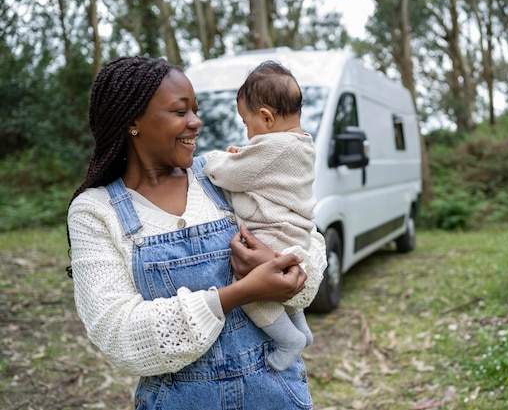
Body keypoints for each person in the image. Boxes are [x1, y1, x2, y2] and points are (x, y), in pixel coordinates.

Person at [66, 56, 327, 410]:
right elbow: (119, 334)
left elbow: (306, 236)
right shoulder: (95, 211)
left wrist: (290, 270)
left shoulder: (219, 174)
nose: (196, 122)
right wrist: (238, 294)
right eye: (180, 111)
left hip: (277, 394)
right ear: (132, 122)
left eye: (196, 110)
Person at [202, 61, 322, 371]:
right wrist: (243, 154)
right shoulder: (300, 145)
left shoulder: (273, 148)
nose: (247, 131)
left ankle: (289, 340)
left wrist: (216, 159)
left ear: (266, 117)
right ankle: (302, 330)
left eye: (246, 122)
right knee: (283, 290)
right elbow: (262, 176)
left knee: (254, 292)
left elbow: (228, 175)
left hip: (273, 233)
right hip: (295, 235)